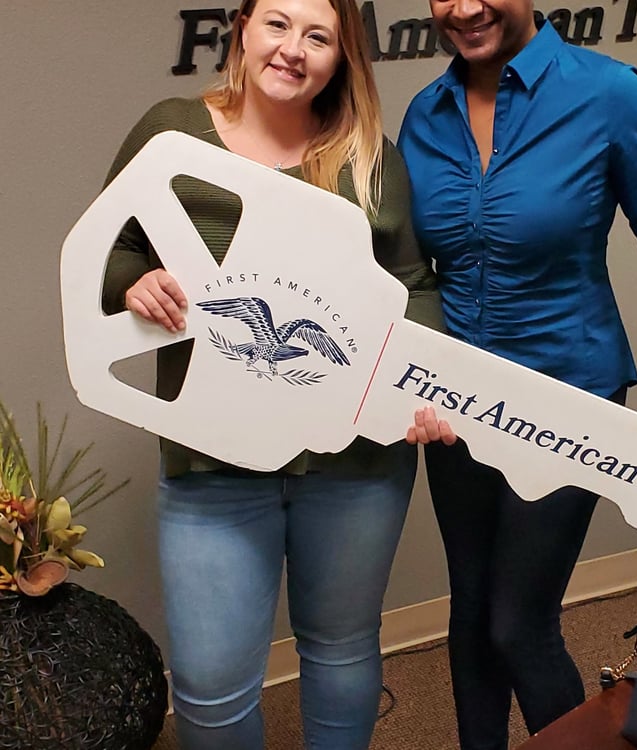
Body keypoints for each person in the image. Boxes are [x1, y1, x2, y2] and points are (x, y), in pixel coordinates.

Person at [398, 1, 637, 747]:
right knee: (469, 617)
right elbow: (413, 271)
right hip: (457, 404)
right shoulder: (425, 115)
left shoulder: (607, 95)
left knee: (517, 624)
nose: (464, 7)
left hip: (568, 398)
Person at [100, 1, 443, 748]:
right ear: (243, 31)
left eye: (318, 36)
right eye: (277, 24)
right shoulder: (171, 133)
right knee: (210, 687)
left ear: (342, 56)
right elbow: (108, 249)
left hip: (358, 463)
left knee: (343, 647)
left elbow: (413, 284)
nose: (293, 50)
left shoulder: (369, 157)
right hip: (211, 465)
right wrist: (133, 282)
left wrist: (423, 385)